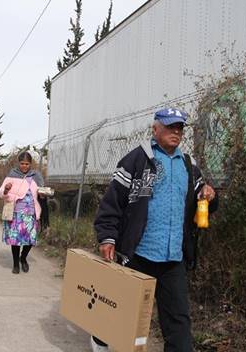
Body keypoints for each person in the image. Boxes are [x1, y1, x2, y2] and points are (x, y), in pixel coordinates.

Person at [92, 108, 218, 352]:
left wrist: (210, 196)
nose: (176, 132)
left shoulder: (189, 166)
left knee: (179, 321)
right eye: (171, 126)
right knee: (122, 310)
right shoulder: (137, 160)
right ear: (155, 129)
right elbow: (112, 202)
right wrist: (107, 237)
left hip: (173, 258)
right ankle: (101, 339)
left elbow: (204, 201)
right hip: (139, 253)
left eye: (180, 127)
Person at [0, 151, 44, 274]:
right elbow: (1, 192)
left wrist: (43, 194)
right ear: (18, 163)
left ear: (31, 164)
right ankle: (15, 264)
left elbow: (41, 192)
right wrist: (6, 189)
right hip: (16, 213)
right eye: (22, 163)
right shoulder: (12, 175)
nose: (24, 166)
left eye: (27, 164)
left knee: (30, 240)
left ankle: (23, 258)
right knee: (16, 240)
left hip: (31, 214)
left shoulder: (36, 176)